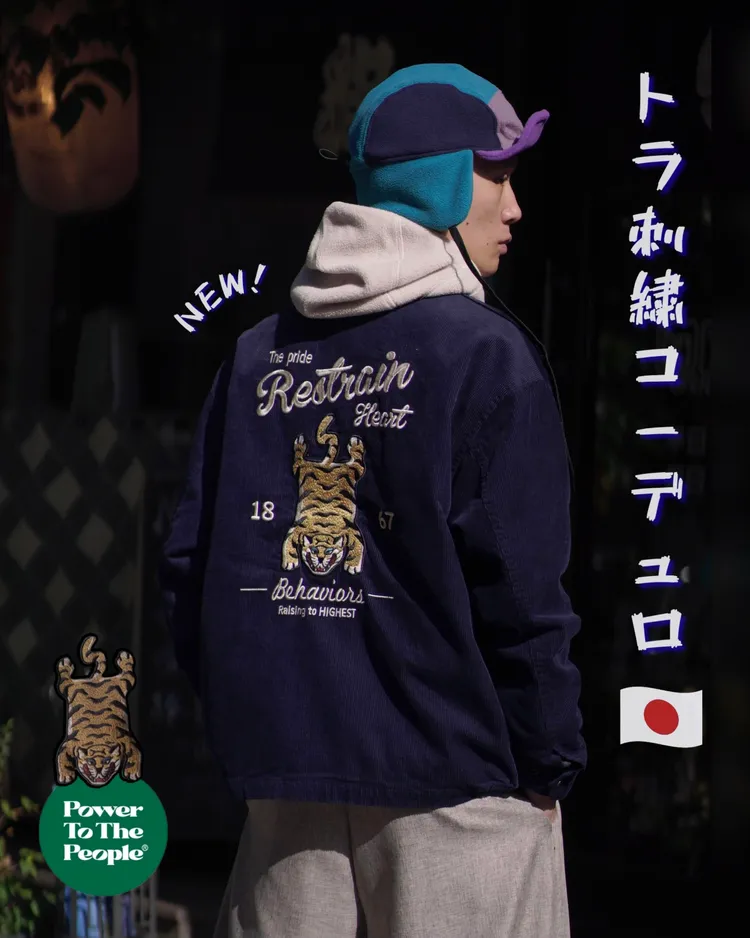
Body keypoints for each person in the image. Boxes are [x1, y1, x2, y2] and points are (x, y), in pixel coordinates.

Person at [160, 62, 586, 938]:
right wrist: (551, 764)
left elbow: (190, 574)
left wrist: (268, 730)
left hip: (285, 803)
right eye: (498, 176)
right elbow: (523, 597)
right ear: (439, 183)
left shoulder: (255, 357)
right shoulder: (486, 359)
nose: (515, 208)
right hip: (464, 801)